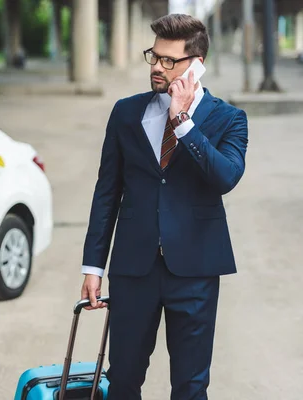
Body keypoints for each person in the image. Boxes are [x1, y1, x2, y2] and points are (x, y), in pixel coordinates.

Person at [80, 14, 248, 400]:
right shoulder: (126, 112)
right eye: (154, 56)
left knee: (190, 385)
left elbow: (225, 178)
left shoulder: (229, 119)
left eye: (169, 60)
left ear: (197, 65)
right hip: (133, 268)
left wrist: (184, 120)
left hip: (195, 268)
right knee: (122, 378)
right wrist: (93, 266)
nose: (157, 67)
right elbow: (107, 190)